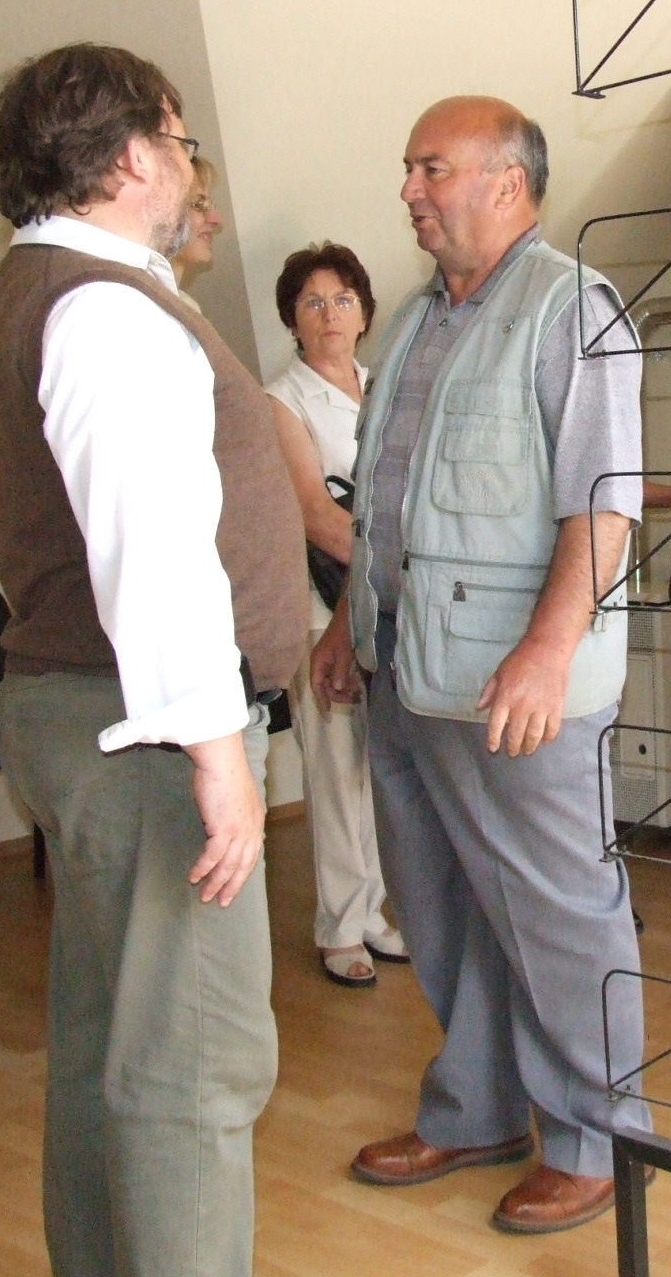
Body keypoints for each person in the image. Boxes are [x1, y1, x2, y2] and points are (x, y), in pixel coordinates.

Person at [0, 43, 309, 1276]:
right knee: (193, 1069)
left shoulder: (46, 286)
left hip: (92, 716)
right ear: (127, 159)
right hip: (146, 737)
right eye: (176, 140)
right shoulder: (106, 309)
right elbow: (151, 550)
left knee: (107, 1046)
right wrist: (218, 756)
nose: (187, 165)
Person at [310, 95, 647, 1236]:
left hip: (517, 688)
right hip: (405, 668)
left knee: (558, 916)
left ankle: (599, 1140)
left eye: (431, 168)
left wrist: (549, 650)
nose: (409, 190)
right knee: (442, 908)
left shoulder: (572, 309)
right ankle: (478, 1110)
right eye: (409, 169)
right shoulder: (414, 320)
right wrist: (344, 621)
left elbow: (603, 504)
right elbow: (387, 503)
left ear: (507, 182)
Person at [264, 241, 405, 988]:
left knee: (379, 767)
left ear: (365, 313)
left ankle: (374, 910)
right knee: (335, 765)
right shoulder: (280, 401)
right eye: (313, 302)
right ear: (292, 318)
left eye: (343, 299)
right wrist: (402, 554)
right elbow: (318, 517)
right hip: (323, 609)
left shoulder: (385, 384)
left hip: (387, 600)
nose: (330, 315)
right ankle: (341, 927)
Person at [170, 153, 222, 304]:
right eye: (198, 204)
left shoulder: (188, 306)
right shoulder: (131, 304)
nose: (216, 219)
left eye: (211, 205)